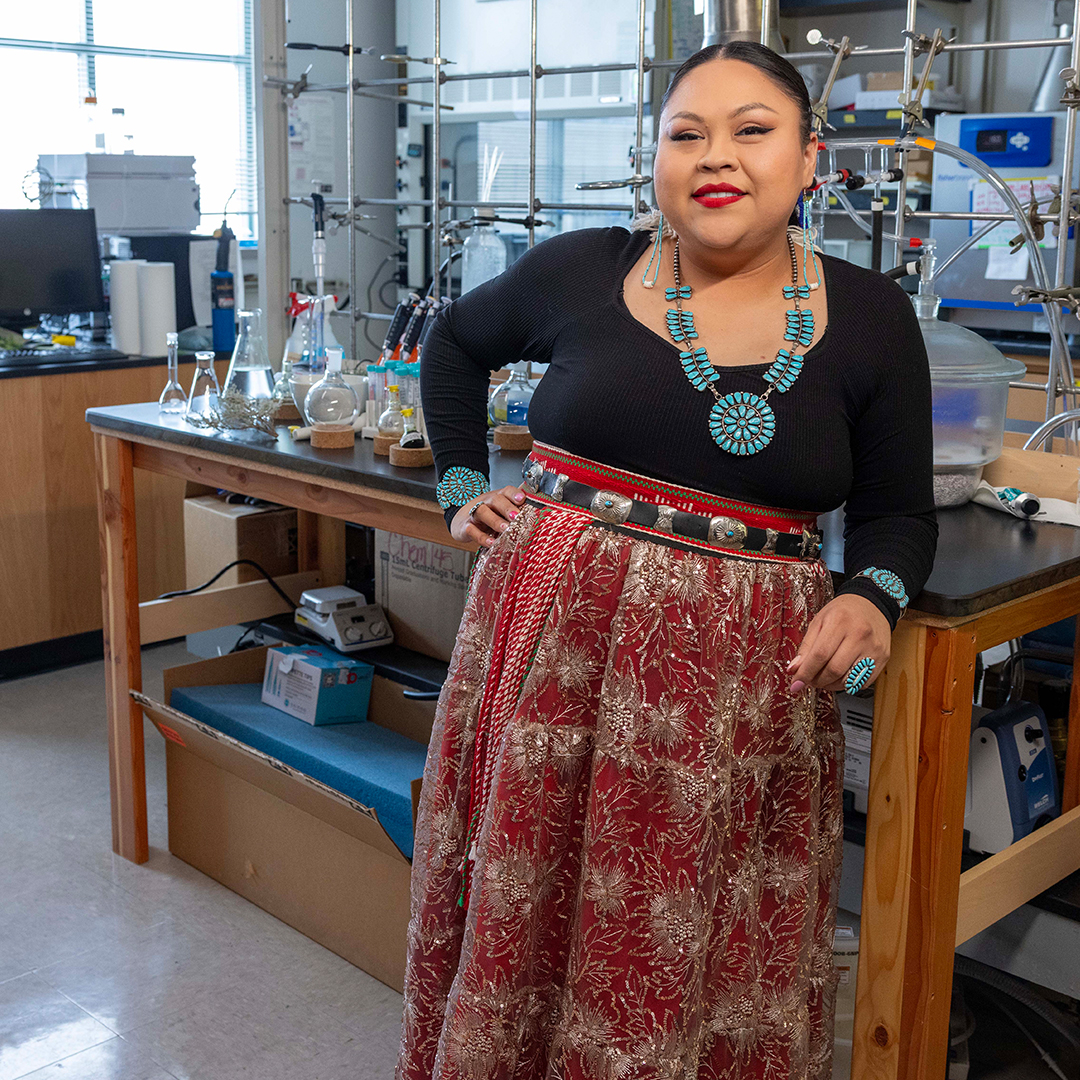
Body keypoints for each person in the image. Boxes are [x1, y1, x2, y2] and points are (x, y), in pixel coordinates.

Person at [395, 40, 937, 1080]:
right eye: (684, 135)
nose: (714, 156)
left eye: (752, 130)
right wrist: (461, 486)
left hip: (738, 696)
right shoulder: (583, 269)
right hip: (546, 653)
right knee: (527, 908)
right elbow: (454, 345)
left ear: (811, 160)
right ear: (654, 162)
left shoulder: (870, 317)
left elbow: (898, 514)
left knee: (698, 936)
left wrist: (874, 595)